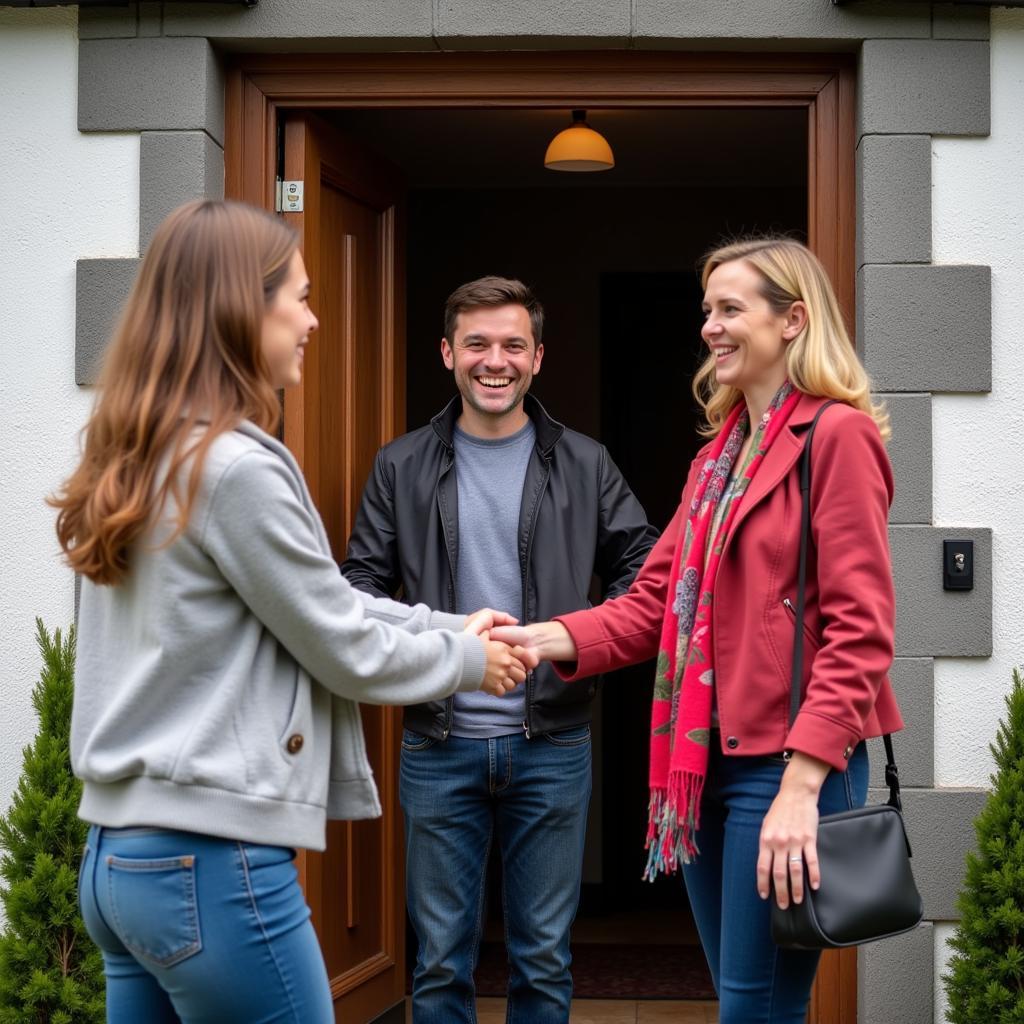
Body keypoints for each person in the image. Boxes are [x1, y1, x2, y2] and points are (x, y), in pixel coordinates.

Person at [50, 200, 535, 1024]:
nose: (313, 320)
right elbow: (337, 642)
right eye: (300, 297)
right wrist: (467, 665)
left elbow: (316, 602)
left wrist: (447, 628)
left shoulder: (135, 451)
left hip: (119, 866)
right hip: (209, 866)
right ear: (243, 305)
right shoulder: (234, 466)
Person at [491, 238, 905, 1024]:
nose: (711, 326)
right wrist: (544, 639)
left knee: (754, 1005)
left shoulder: (836, 438)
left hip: (790, 766)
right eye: (706, 310)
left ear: (794, 321)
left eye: (730, 309)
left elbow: (861, 630)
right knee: (745, 998)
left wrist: (802, 785)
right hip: (707, 765)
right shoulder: (718, 458)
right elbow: (655, 603)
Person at [342, 276, 657, 1022]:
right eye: (477, 343)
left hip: (552, 742)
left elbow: (646, 576)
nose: (496, 360)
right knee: (440, 960)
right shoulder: (401, 464)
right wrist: (446, 638)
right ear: (448, 352)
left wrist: (569, 637)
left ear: (539, 357)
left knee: (543, 959)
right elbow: (357, 589)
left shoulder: (586, 463)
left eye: (513, 344)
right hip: (438, 739)